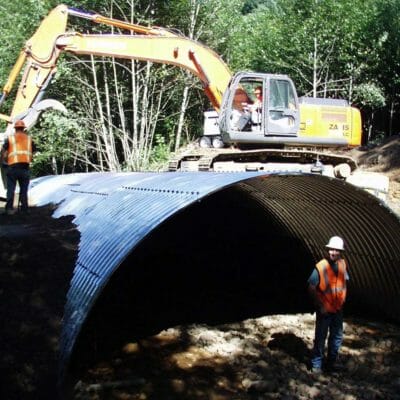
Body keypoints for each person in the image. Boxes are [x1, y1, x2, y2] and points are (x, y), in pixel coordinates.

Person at [308, 236, 349, 373]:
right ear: (327, 250)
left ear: (340, 252)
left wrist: (342, 300)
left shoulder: (342, 264)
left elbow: (344, 282)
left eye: (336, 250)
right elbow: (311, 287)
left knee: (337, 337)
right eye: (331, 249)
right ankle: (316, 365)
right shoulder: (321, 267)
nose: (333, 252)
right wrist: (320, 306)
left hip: (337, 309)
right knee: (320, 337)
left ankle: (331, 363)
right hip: (325, 309)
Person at [0, 119, 35, 215]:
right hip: (25, 168)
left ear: (15, 128)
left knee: (11, 189)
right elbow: (33, 150)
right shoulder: (29, 139)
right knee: (24, 190)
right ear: (23, 129)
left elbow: (3, 150)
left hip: (12, 167)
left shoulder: (10, 138)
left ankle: (9, 209)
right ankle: (24, 209)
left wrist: (3, 162)